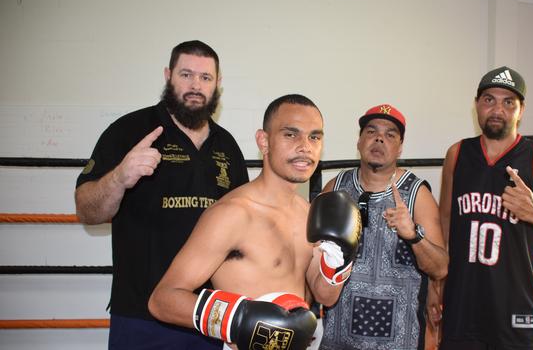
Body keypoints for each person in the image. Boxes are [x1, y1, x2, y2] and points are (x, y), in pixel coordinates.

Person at [148, 94, 362, 350]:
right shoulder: (233, 214)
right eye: (290, 134)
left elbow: (325, 295)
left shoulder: (310, 214)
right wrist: (237, 318)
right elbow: (162, 300)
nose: (305, 146)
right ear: (264, 141)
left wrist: (338, 263)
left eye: (314, 137)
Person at [74, 40, 250, 349]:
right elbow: (87, 211)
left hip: (207, 317)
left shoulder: (228, 146)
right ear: (168, 75)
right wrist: (119, 178)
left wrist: (239, 308)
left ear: (218, 84)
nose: (196, 85)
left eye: (205, 77)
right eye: (186, 74)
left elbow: (240, 236)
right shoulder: (129, 130)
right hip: (141, 315)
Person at [439, 66, 533, 350]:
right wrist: (436, 285)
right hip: (462, 303)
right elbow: (445, 222)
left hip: (517, 307)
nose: (497, 109)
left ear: (521, 110)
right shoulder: (457, 154)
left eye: (508, 102)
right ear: (477, 104)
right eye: (489, 99)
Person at [319, 104, 449, 350]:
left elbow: (440, 267)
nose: (379, 138)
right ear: (359, 141)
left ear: (400, 147)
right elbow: (309, 256)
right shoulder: (335, 188)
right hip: (338, 339)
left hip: (400, 342)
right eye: (371, 131)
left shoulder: (417, 194)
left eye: (390, 134)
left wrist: (413, 236)